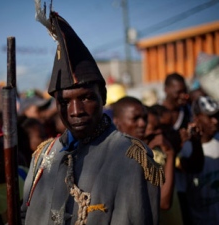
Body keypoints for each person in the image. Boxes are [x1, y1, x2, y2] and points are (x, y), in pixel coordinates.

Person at [21, 7, 163, 225]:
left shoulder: (130, 157)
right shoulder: (43, 155)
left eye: (86, 98)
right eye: (64, 102)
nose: (76, 111)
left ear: (103, 96)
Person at [111, 96, 183, 225]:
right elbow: (163, 203)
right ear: (117, 122)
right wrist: (171, 154)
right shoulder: (119, 157)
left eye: (144, 118)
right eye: (135, 119)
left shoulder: (147, 152)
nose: (142, 124)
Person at [180, 96, 219, 225]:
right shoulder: (185, 150)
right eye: (209, 116)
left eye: (217, 116)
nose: (215, 121)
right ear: (196, 118)